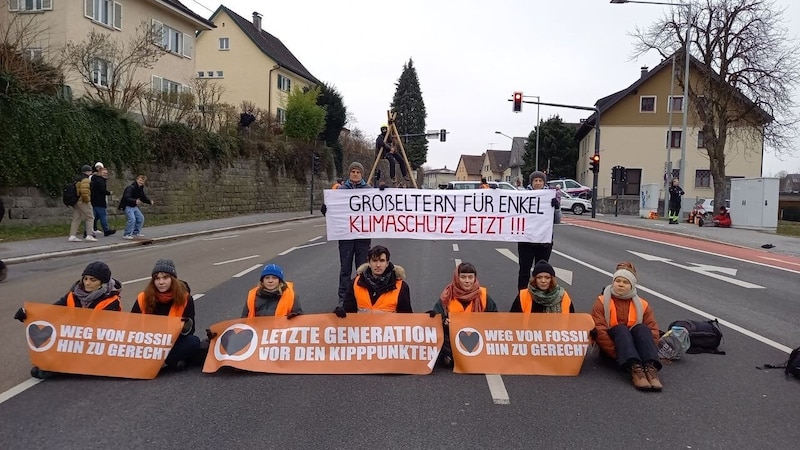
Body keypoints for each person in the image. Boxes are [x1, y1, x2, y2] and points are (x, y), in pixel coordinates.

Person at [14, 261, 122, 379]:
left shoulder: (111, 301)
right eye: (85, 278)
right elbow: (52, 311)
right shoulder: (73, 294)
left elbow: (105, 329)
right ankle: (60, 365)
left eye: (93, 280)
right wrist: (28, 314)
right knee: (53, 338)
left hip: (99, 342)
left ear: (103, 283)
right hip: (77, 339)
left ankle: (60, 369)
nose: (87, 283)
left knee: (85, 361)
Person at [591, 265, 663, 391]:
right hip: (614, 350)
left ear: (632, 286)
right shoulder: (602, 301)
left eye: (625, 282)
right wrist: (620, 353)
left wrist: (645, 351)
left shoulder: (642, 304)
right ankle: (635, 369)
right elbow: (600, 331)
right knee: (621, 329)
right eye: (618, 281)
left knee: (642, 328)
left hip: (636, 348)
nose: (621, 284)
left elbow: (653, 331)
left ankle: (650, 368)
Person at [131, 259, 201, 371]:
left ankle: (159, 361)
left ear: (173, 279)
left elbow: (190, 330)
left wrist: (180, 328)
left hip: (170, 343)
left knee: (193, 342)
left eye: (165, 277)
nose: (161, 282)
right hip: (147, 343)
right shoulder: (143, 298)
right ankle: (169, 361)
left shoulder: (185, 298)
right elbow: (131, 326)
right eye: (157, 278)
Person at [429, 262, 498, 367]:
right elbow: (437, 315)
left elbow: (495, 318)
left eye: (470, 277)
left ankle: (454, 358)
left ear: (475, 278)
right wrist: (444, 322)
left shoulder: (484, 296)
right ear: (457, 278)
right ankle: (454, 356)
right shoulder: (447, 295)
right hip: (453, 338)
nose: (467, 281)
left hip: (479, 338)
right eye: (463, 277)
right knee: (437, 337)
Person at [335, 245, 411, 316]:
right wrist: (340, 313)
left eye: (382, 261)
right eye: (374, 261)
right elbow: (349, 311)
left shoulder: (401, 286)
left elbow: (407, 318)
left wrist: (422, 320)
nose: (378, 265)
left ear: (387, 263)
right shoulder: (356, 283)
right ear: (369, 262)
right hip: (363, 328)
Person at [336, 162, 372, 305]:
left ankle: (361, 299)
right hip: (345, 236)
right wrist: (327, 208)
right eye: (353, 172)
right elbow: (334, 211)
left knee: (362, 269)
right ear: (349, 173)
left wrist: (382, 192)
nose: (355, 174)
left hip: (363, 237)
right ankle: (343, 300)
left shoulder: (369, 190)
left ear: (362, 174)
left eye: (358, 172)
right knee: (345, 269)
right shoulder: (340, 191)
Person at [517, 171, 559, 290]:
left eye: (540, 181)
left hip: (544, 242)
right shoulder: (522, 196)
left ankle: (539, 297)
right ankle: (522, 296)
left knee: (542, 273)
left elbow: (557, 220)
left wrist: (556, 208)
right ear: (531, 182)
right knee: (524, 271)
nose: (538, 183)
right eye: (535, 180)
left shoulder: (550, 196)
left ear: (544, 182)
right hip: (526, 242)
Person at [120, 174, 154, 240]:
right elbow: (126, 197)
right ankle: (126, 234)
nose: (141, 182)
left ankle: (136, 232)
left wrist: (149, 201)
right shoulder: (130, 187)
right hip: (127, 205)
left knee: (141, 218)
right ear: (137, 180)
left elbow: (143, 198)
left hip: (134, 206)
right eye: (140, 180)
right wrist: (135, 200)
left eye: (142, 181)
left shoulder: (140, 189)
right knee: (132, 219)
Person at [68, 165, 96, 242]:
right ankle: (89, 235)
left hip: (75, 201)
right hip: (82, 201)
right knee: (90, 217)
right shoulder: (86, 179)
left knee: (77, 218)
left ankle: (72, 235)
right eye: (90, 171)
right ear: (88, 171)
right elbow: (84, 191)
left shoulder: (77, 179)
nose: (91, 173)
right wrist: (87, 201)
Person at [90, 166, 116, 236]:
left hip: (93, 201)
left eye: (106, 173)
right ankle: (106, 230)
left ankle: (87, 231)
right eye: (104, 173)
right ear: (100, 173)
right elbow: (102, 191)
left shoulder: (94, 179)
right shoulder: (101, 181)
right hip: (100, 201)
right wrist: (109, 193)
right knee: (103, 216)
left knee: (93, 217)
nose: (106, 174)